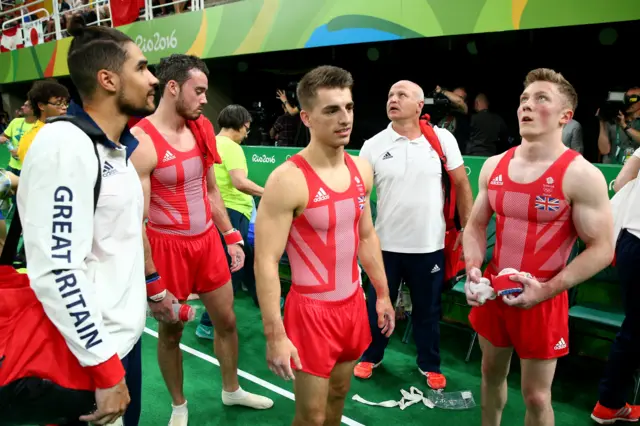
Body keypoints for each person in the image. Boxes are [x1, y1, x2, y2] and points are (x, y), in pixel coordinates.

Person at [10, 16, 159, 426]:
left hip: (120, 343)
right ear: (108, 80)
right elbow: (57, 268)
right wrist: (104, 366)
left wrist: (152, 290)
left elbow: (116, 242)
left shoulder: (113, 149)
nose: (153, 79)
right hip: (87, 355)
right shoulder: (64, 145)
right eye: (142, 68)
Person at [463, 68, 614, 426]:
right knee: (489, 374)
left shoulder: (581, 175)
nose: (527, 106)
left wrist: (546, 290)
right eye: (524, 99)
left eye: (541, 98)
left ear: (566, 115)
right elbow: (475, 225)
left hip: (543, 297)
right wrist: (472, 269)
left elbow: (603, 249)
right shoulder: (493, 165)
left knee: (536, 395)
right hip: (494, 291)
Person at [129, 54, 273, 426]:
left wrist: (231, 235)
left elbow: (210, 189)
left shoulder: (201, 128)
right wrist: (152, 279)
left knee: (226, 320)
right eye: (199, 91)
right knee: (171, 331)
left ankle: (232, 389)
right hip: (166, 247)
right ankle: (179, 406)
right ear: (173, 87)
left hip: (207, 241)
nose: (206, 99)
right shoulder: (142, 141)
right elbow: (138, 219)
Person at [254, 65, 396, 426]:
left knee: (338, 396)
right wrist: (275, 335)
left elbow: (365, 235)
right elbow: (267, 261)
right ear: (306, 117)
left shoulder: (362, 169)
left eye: (348, 107)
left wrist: (381, 294)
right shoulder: (287, 179)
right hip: (310, 313)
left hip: (352, 305)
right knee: (311, 417)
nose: (344, 118)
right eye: (331, 110)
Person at [354, 80, 473, 389]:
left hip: (429, 246)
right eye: (390, 94)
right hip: (385, 246)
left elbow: (461, 183)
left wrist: (466, 228)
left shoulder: (442, 140)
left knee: (428, 310)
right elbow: (361, 197)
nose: (393, 99)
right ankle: (371, 355)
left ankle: (429, 364)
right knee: (377, 304)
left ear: (420, 105)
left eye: (402, 95)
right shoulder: (373, 145)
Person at [196, 104, 264, 340]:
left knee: (249, 260)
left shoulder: (212, 142)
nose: (248, 132)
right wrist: (269, 193)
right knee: (234, 267)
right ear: (243, 124)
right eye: (248, 127)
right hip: (233, 213)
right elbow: (240, 182)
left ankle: (265, 301)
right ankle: (207, 323)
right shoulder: (233, 148)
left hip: (216, 213)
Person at [590, 147, 640, 423]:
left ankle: (610, 402)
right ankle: (610, 402)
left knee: (633, 328)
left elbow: (621, 183)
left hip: (631, 242)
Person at [17, 79, 70, 163]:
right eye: (58, 103)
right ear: (41, 106)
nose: (64, 107)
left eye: (65, 103)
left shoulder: (71, 129)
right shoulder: (30, 139)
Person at [0, 99, 37, 176]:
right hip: (12, 166)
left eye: (26, 106)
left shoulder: (41, 126)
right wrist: (1, 138)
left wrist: (21, 151)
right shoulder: (15, 121)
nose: (22, 107)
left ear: (35, 109)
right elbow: (3, 136)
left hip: (30, 169)